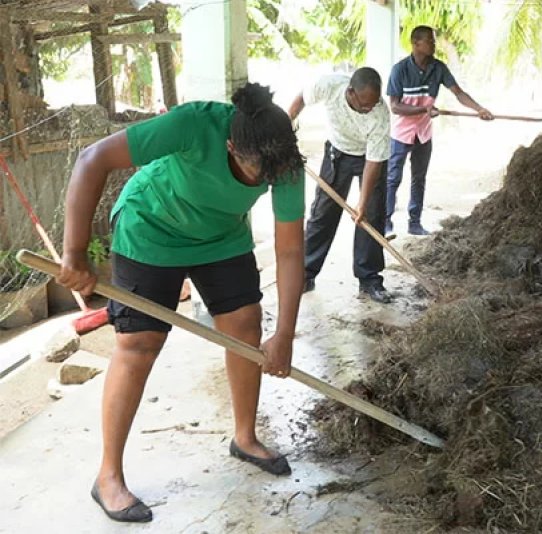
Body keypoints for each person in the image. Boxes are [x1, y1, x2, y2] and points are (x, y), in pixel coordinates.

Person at [58, 83, 306, 523]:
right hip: (150, 228)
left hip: (220, 237)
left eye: (270, 175)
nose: (263, 181)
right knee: (140, 345)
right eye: (254, 172)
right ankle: (108, 477)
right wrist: (74, 252)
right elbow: (91, 159)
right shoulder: (194, 124)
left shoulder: (283, 163)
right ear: (230, 145)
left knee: (247, 327)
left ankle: (245, 438)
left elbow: (289, 251)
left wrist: (284, 333)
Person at [288, 67, 393, 303]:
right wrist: (286, 128)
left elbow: (374, 162)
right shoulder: (330, 85)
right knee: (323, 213)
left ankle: (370, 280)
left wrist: (362, 203)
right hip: (338, 153)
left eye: (374, 104)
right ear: (351, 92)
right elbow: (301, 99)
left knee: (371, 217)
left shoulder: (380, 113)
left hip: (369, 158)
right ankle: (305, 273)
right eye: (365, 105)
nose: (369, 109)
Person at [385, 25, 494, 236]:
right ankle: (386, 222)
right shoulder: (400, 70)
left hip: (423, 134)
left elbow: (458, 93)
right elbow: (395, 106)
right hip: (401, 134)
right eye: (429, 41)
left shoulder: (439, 68)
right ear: (416, 43)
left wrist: (479, 109)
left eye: (434, 41)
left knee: (419, 178)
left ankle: (414, 223)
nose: (434, 44)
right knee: (393, 179)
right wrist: (423, 109)